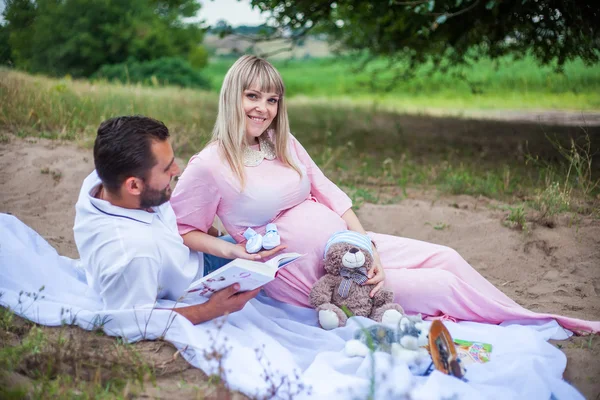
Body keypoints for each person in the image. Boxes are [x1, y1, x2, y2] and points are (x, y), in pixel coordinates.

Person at [170, 55, 600, 334]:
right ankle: (542, 323)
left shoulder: (280, 144)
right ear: (232, 97)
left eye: (272, 99)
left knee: (447, 255)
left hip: (348, 249)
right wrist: (235, 251)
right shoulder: (209, 165)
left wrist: (369, 248)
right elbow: (184, 229)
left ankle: (520, 314)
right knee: (443, 285)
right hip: (309, 278)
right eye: (252, 96)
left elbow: (333, 197)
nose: (263, 108)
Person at [73, 115, 283, 324]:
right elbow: (134, 321)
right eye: (167, 169)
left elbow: (171, 222)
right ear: (134, 186)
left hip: (193, 253)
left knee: (275, 239)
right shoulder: (133, 253)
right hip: (200, 281)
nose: (177, 171)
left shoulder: (107, 178)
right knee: (284, 255)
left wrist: (219, 238)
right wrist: (212, 309)